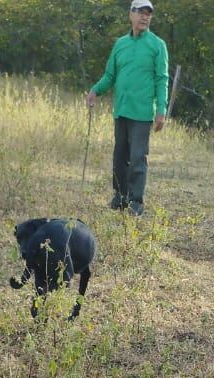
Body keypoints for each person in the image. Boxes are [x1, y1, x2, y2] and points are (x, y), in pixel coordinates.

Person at [87, 0, 168, 217]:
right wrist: (95, 90)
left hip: (142, 112)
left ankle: (136, 202)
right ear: (130, 14)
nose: (145, 17)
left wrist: (161, 110)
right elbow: (110, 75)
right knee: (119, 156)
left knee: (138, 157)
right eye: (141, 12)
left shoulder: (157, 45)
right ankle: (120, 196)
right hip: (121, 109)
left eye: (148, 13)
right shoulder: (120, 44)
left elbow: (162, 79)